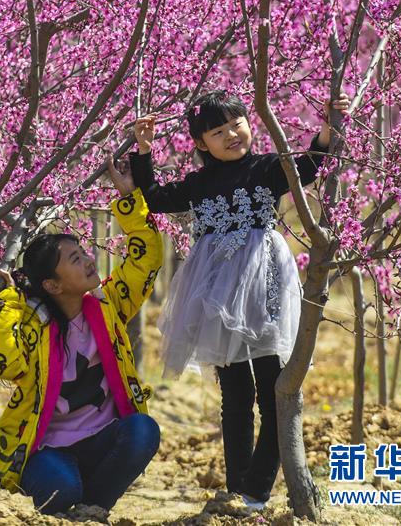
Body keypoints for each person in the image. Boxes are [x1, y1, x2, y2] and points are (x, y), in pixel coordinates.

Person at [129, 89, 349, 508]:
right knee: (234, 393)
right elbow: (156, 199)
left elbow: (307, 169)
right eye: (218, 131)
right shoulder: (199, 183)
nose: (232, 135)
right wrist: (143, 151)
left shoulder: (267, 167)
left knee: (272, 387)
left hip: (264, 281)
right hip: (217, 291)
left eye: (237, 124)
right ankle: (237, 489)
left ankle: (258, 490)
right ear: (200, 143)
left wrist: (327, 126)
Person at [0, 162, 163, 516]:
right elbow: (1, 361)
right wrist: (5, 303)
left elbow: (146, 260)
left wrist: (130, 199)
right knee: (61, 491)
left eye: (84, 255)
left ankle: (92, 509)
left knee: (143, 429)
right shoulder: (34, 326)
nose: (89, 261)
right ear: (52, 285)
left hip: (102, 439)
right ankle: (76, 503)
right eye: (76, 260)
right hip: (48, 449)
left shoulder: (109, 308)